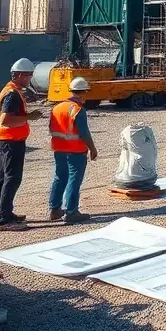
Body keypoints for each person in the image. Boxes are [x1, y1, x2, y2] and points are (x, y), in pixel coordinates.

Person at [0, 58, 42, 232]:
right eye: (28, 75)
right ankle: (5, 220)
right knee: (12, 178)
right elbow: (6, 120)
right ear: (19, 75)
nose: (30, 79)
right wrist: (30, 117)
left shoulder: (11, 91)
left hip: (5, 140)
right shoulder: (12, 94)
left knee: (3, 178)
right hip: (11, 141)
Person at [48, 77, 98, 224]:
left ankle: (55, 209)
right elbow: (84, 132)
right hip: (75, 151)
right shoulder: (77, 110)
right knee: (74, 180)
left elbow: (51, 127)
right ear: (82, 93)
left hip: (59, 149)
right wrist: (92, 149)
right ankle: (71, 212)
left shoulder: (57, 107)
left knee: (59, 177)